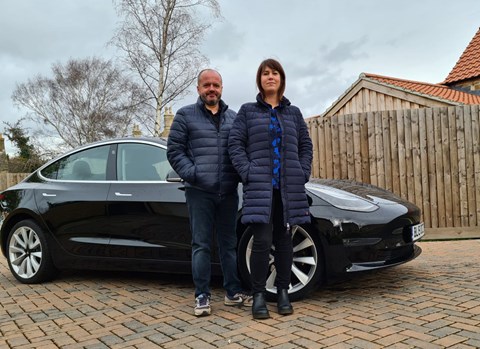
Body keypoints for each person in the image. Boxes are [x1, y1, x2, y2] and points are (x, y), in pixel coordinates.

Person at [228, 59, 313, 319]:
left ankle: (283, 292)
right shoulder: (247, 111)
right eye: (265, 73)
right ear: (260, 80)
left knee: (285, 241)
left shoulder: (294, 113)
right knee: (262, 242)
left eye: (274, 73)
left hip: (288, 189)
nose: (270, 77)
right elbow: (235, 144)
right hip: (260, 188)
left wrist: (302, 171)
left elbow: (305, 146)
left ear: (281, 78)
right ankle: (258, 296)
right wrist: (247, 171)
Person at [167, 69, 252, 317]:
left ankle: (232, 292)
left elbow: (240, 151)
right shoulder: (185, 115)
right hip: (199, 192)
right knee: (201, 245)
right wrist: (193, 174)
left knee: (228, 245)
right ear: (198, 89)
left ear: (222, 88)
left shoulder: (234, 118)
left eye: (216, 85)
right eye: (207, 85)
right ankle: (202, 295)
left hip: (227, 192)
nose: (211, 89)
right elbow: (174, 151)